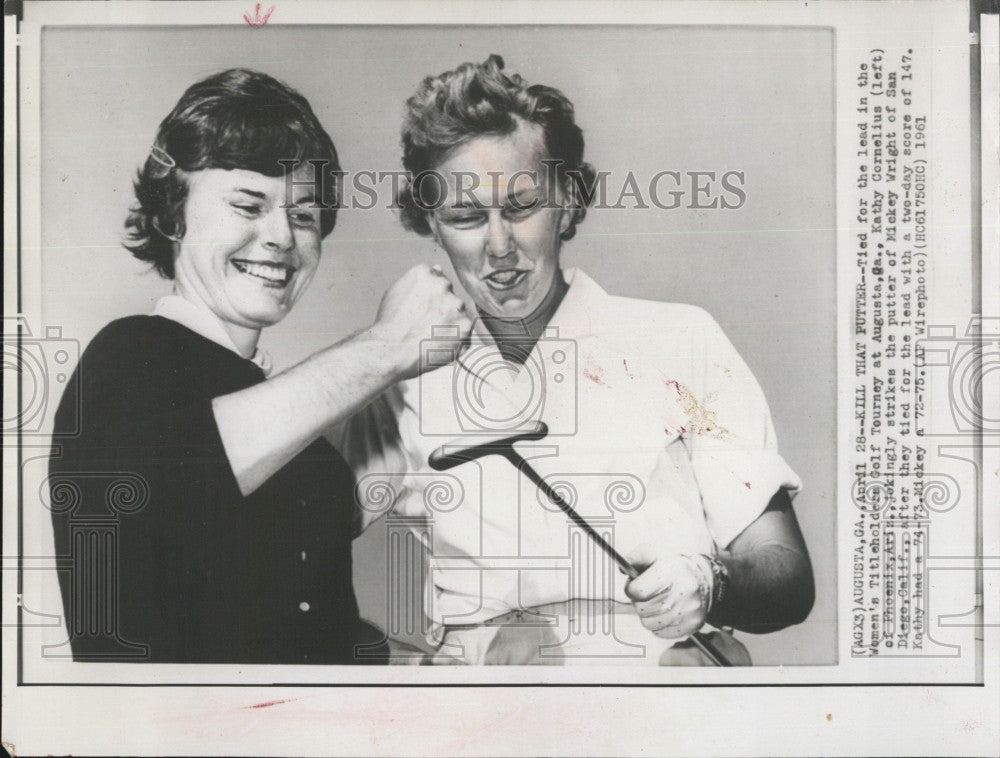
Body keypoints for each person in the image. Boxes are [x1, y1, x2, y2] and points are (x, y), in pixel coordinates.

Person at [337, 55, 814, 665]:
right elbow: (282, 540)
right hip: (482, 715)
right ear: (430, 221)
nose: (498, 246)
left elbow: (787, 575)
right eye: (464, 217)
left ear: (568, 198)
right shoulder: (406, 376)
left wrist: (708, 581)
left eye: (521, 207)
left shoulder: (681, 339)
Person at [47, 68, 471, 663]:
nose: (282, 237)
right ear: (172, 215)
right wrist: (389, 344)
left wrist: (400, 659)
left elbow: (285, 611)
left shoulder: (274, 414)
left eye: (303, 215)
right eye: (249, 204)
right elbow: (186, 482)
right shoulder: (126, 356)